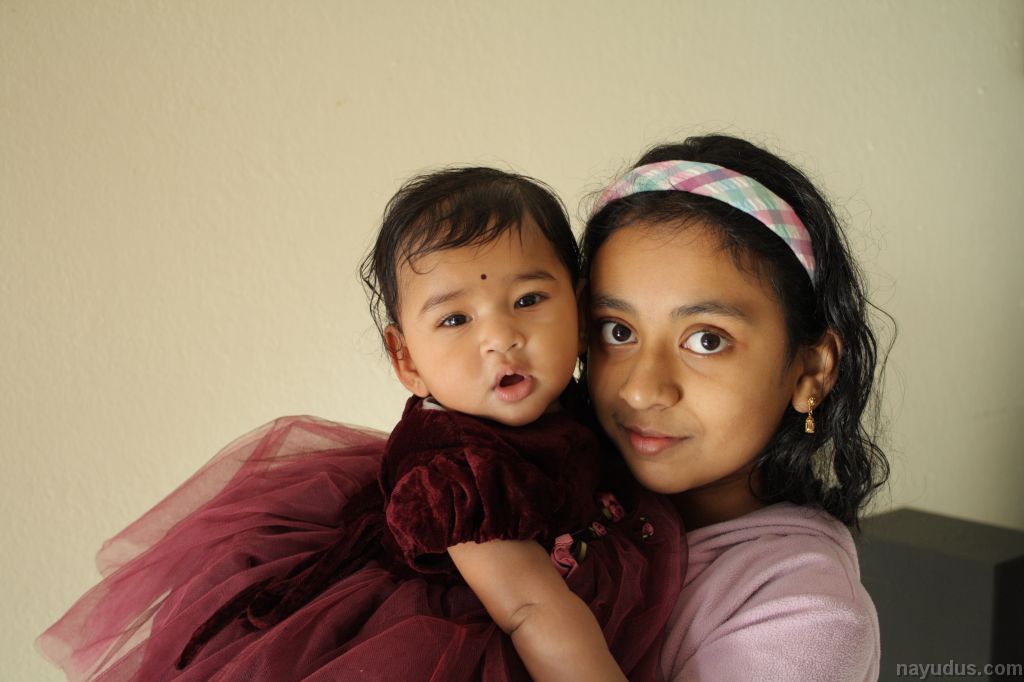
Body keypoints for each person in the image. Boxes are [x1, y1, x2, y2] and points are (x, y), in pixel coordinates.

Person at [38, 167, 682, 681]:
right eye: (455, 319)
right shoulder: (459, 474)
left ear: (580, 308)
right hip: (477, 631)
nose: (501, 337)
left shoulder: (578, 401)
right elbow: (530, 608)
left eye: (529, 300)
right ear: (407, 359)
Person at [580, 134, 888, 681]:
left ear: (811, 371)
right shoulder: (576, 512)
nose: (642, 390)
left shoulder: (807, 617)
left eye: (707, 340)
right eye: (618, 331)